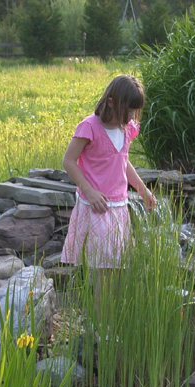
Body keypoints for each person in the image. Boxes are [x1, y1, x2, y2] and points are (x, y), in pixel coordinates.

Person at [61, 74, 157, 274]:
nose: (131, 116)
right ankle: (96, 305)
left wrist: (142, 189)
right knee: (102, 270)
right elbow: (68, 161)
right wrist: (89, 191)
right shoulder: (90, 127)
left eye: (135, 111)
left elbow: (122, 161)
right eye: (128, 110)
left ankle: (107, 305)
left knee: (116, 266)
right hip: (97, 206)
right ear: (111, 102)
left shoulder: (126, 128)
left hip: (118, 206)